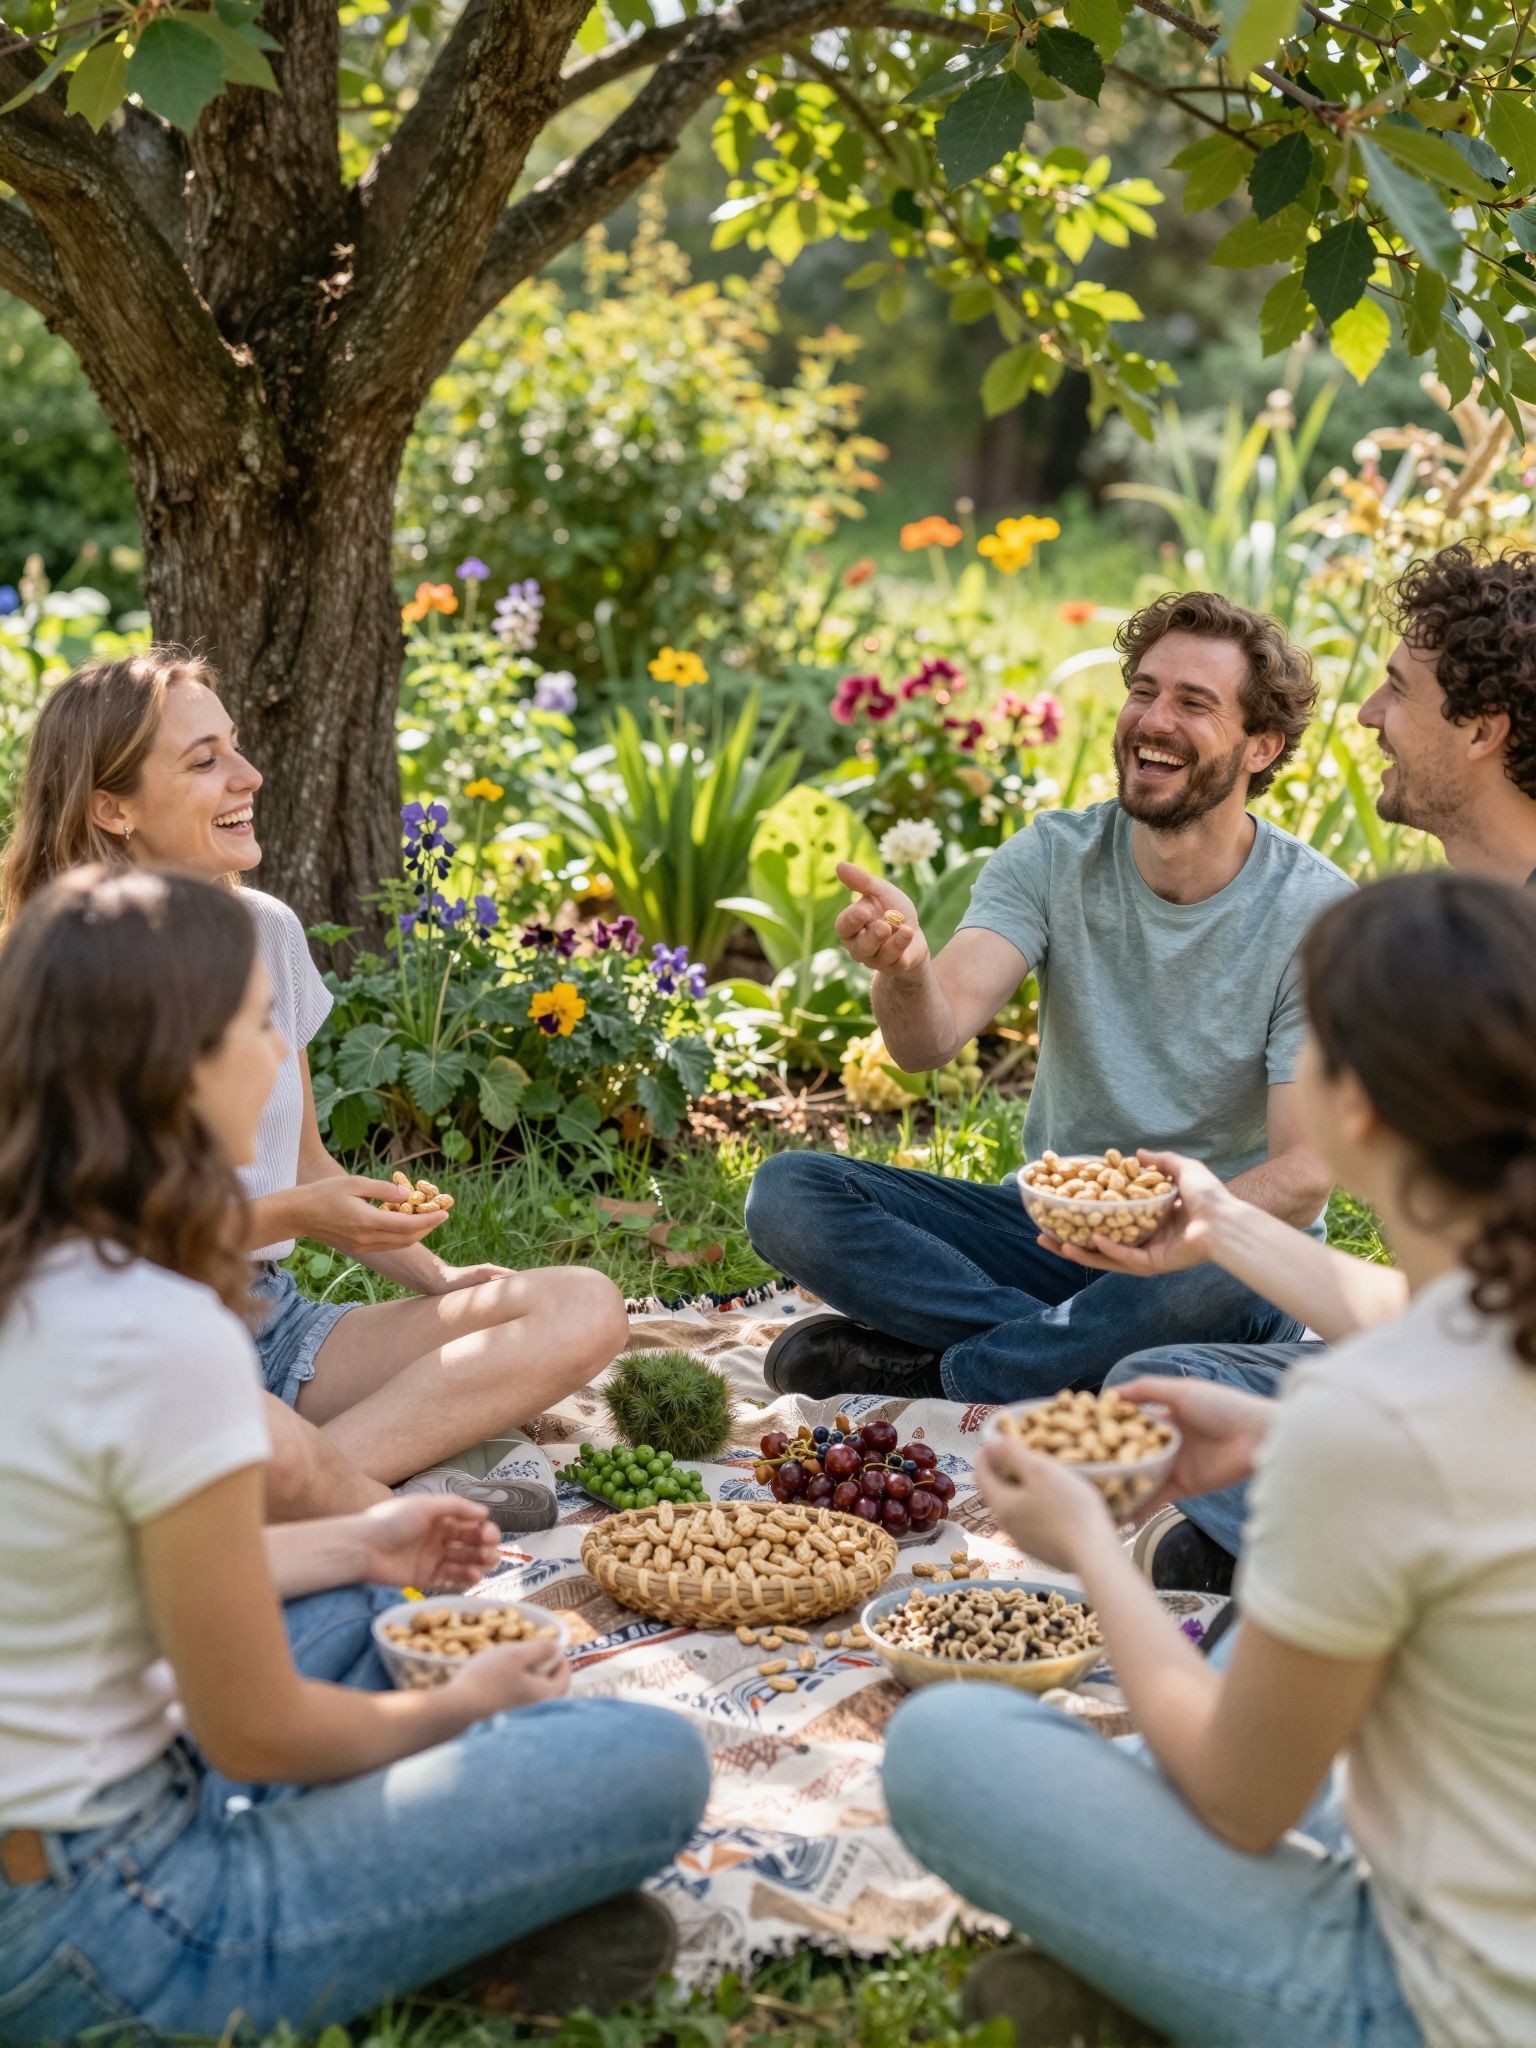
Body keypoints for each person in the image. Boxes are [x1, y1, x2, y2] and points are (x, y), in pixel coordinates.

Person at [0, 867, 709, 2038]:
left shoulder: (42, 1261)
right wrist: (463, 1705)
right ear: (172, 1068)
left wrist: (360, 1534)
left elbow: (104, 1579)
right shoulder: (162, 1327)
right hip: (116, 1922)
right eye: (255, 1027)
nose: (280, 1056)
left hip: (57, 1822)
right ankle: (448, 1918)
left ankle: (451, 1899)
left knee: (361, 1615)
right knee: (646, 1758)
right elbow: (254, 1731)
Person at [884, 872, 1536, 2048]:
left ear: (1359, 1111)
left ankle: (1164, 1986)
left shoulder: (1373, 1419)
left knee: (947, 1746)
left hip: (1444, 2007)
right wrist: (1267, 1390)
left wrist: (1093, 1542)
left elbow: (1241, 1803)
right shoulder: (1466, 1340)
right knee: (1283, 1657)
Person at [0, 649, 629, 1528]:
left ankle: (301, 1489)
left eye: (237, 747)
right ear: (112, 806)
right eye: (204, 760)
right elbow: (77, 1249)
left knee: (582, 1307)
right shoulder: (59, 972)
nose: (249, 776)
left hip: (273, 1324)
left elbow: (299, 1166)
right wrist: (300, 1218)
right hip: (137, 1353)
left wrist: (438, 1276)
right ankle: (348, 1493)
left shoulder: (266, 932)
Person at [747, 589, 1350, 1404]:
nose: (1152, 720)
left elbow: (1305, 1173)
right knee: (787, 1196)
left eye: (1193, 703)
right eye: (1143, 690)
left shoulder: (1317, 915)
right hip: (1055, 1232)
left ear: (1261, 747)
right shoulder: (1054, 857)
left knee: (1230, 1274)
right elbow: (926, 1043)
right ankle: (1067, 1352)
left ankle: (949, 1371)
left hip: (1207, 1257)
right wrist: (906, 972)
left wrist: (1174, 1231)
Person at [1073, 542, 1536, 1592]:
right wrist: (1215, 1220)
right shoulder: (1471, 941)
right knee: (1159, 1384)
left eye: (1397, 689)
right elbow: (1453, 1307)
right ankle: (1286, 1529)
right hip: (1477, 1363)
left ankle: (1316, 1538)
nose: (1369, 714)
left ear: (1481, 731)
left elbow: (1483, 1343)